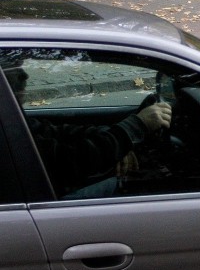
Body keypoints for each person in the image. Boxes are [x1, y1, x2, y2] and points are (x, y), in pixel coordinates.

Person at [1, 55, 172, 198]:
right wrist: (136, 126)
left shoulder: (10, 121)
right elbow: (68, 160)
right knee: (134, 185)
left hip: (37, 194)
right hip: (39, 204)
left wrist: (117, 138)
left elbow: (58, 133)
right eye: (11, 69)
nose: (24, 76)